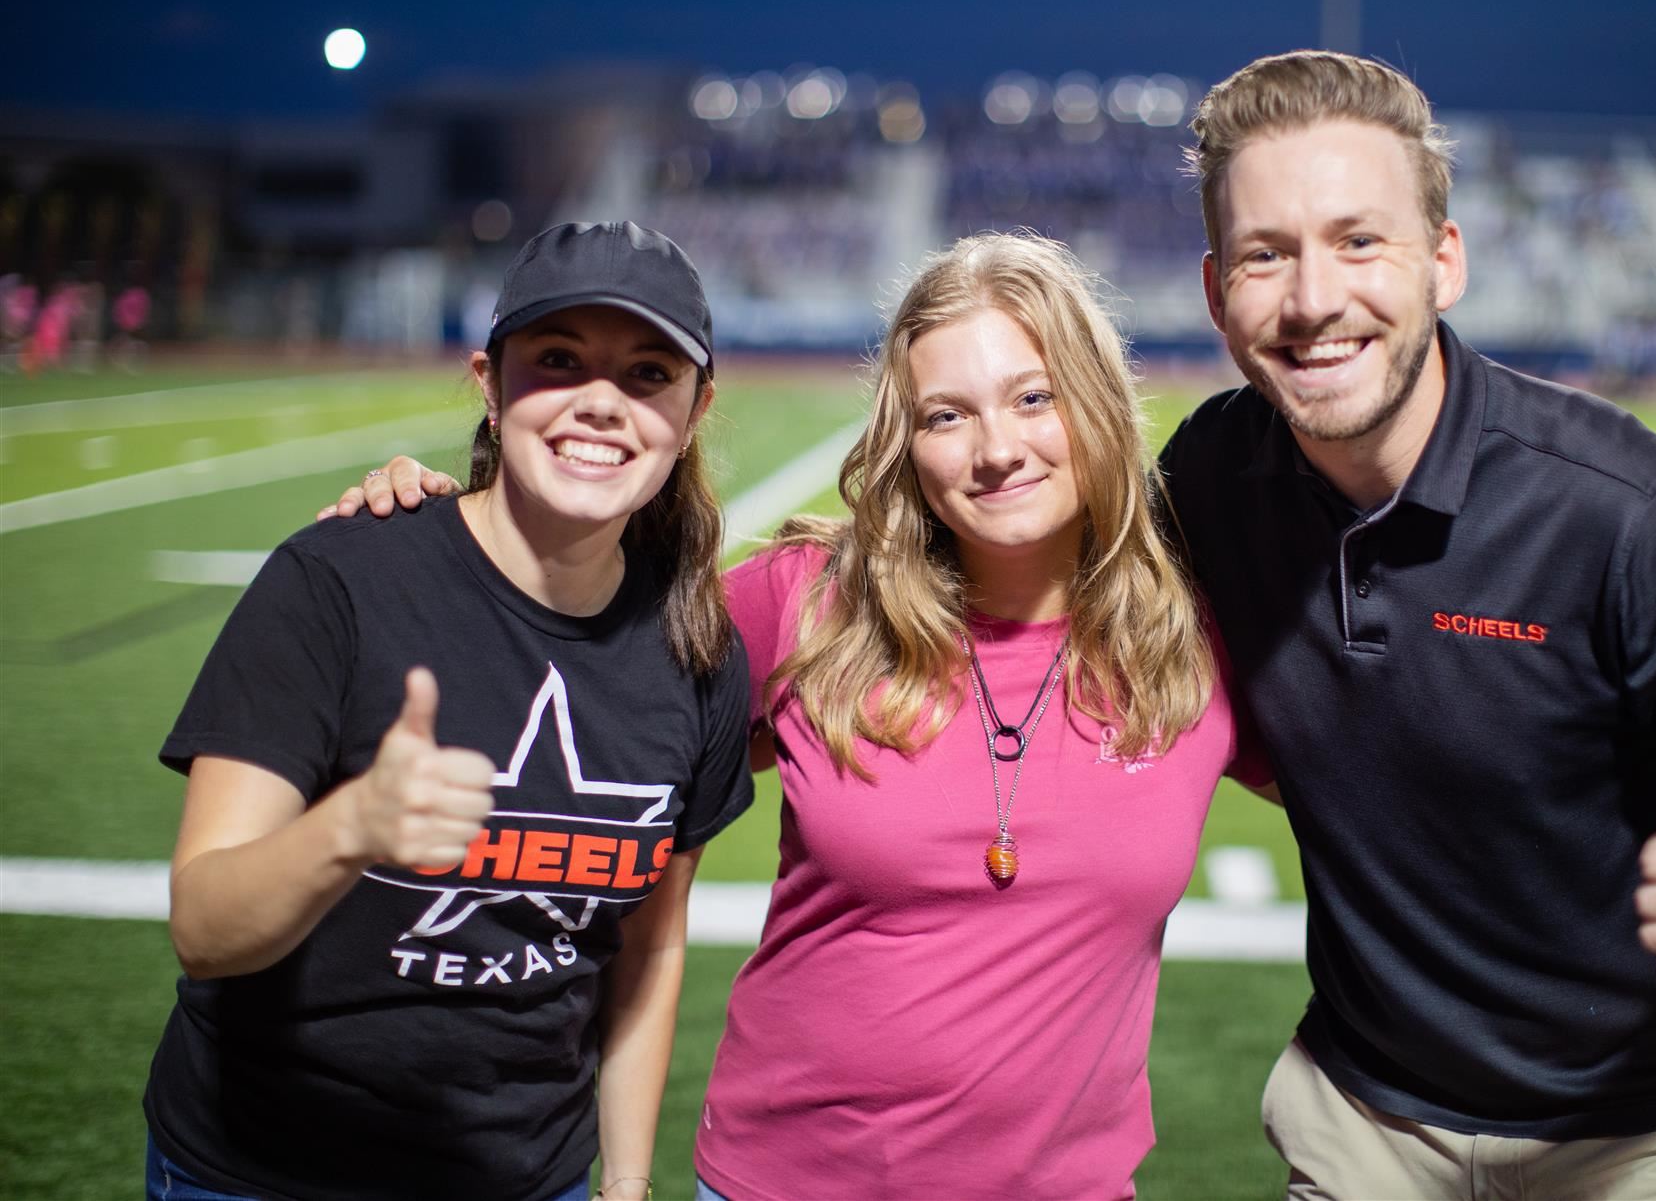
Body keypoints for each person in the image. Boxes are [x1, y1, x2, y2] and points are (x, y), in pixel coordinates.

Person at [331, 231, 1274, 1200]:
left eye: (1033, 397)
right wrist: (444, 536)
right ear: (904, 443)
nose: (996, 450)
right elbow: (565, 670)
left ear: (1096, 401)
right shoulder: (804, 601)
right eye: (944, 415)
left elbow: (1388, 798)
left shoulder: (1196, 639)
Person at [1159, 50, 1656, 1199]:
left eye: (1359, 240)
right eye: (1265, 254)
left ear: (1443, 261)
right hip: (1367, 1120)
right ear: (1214, 291)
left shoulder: (1633, 516)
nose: (1310, 299)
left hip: (1652, 1131)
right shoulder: (1207, 473)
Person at [147, 221, 753, 1201]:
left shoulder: (699, 651)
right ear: (490, 379)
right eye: (558, 362)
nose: (602, 403)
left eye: (647, 374)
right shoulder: (336, 580)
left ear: (693, 411)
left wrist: (627, 1181)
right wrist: (349, 828)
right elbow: (204, 927)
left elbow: (651, 942)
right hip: (266, 1170)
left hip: (526, 1176)